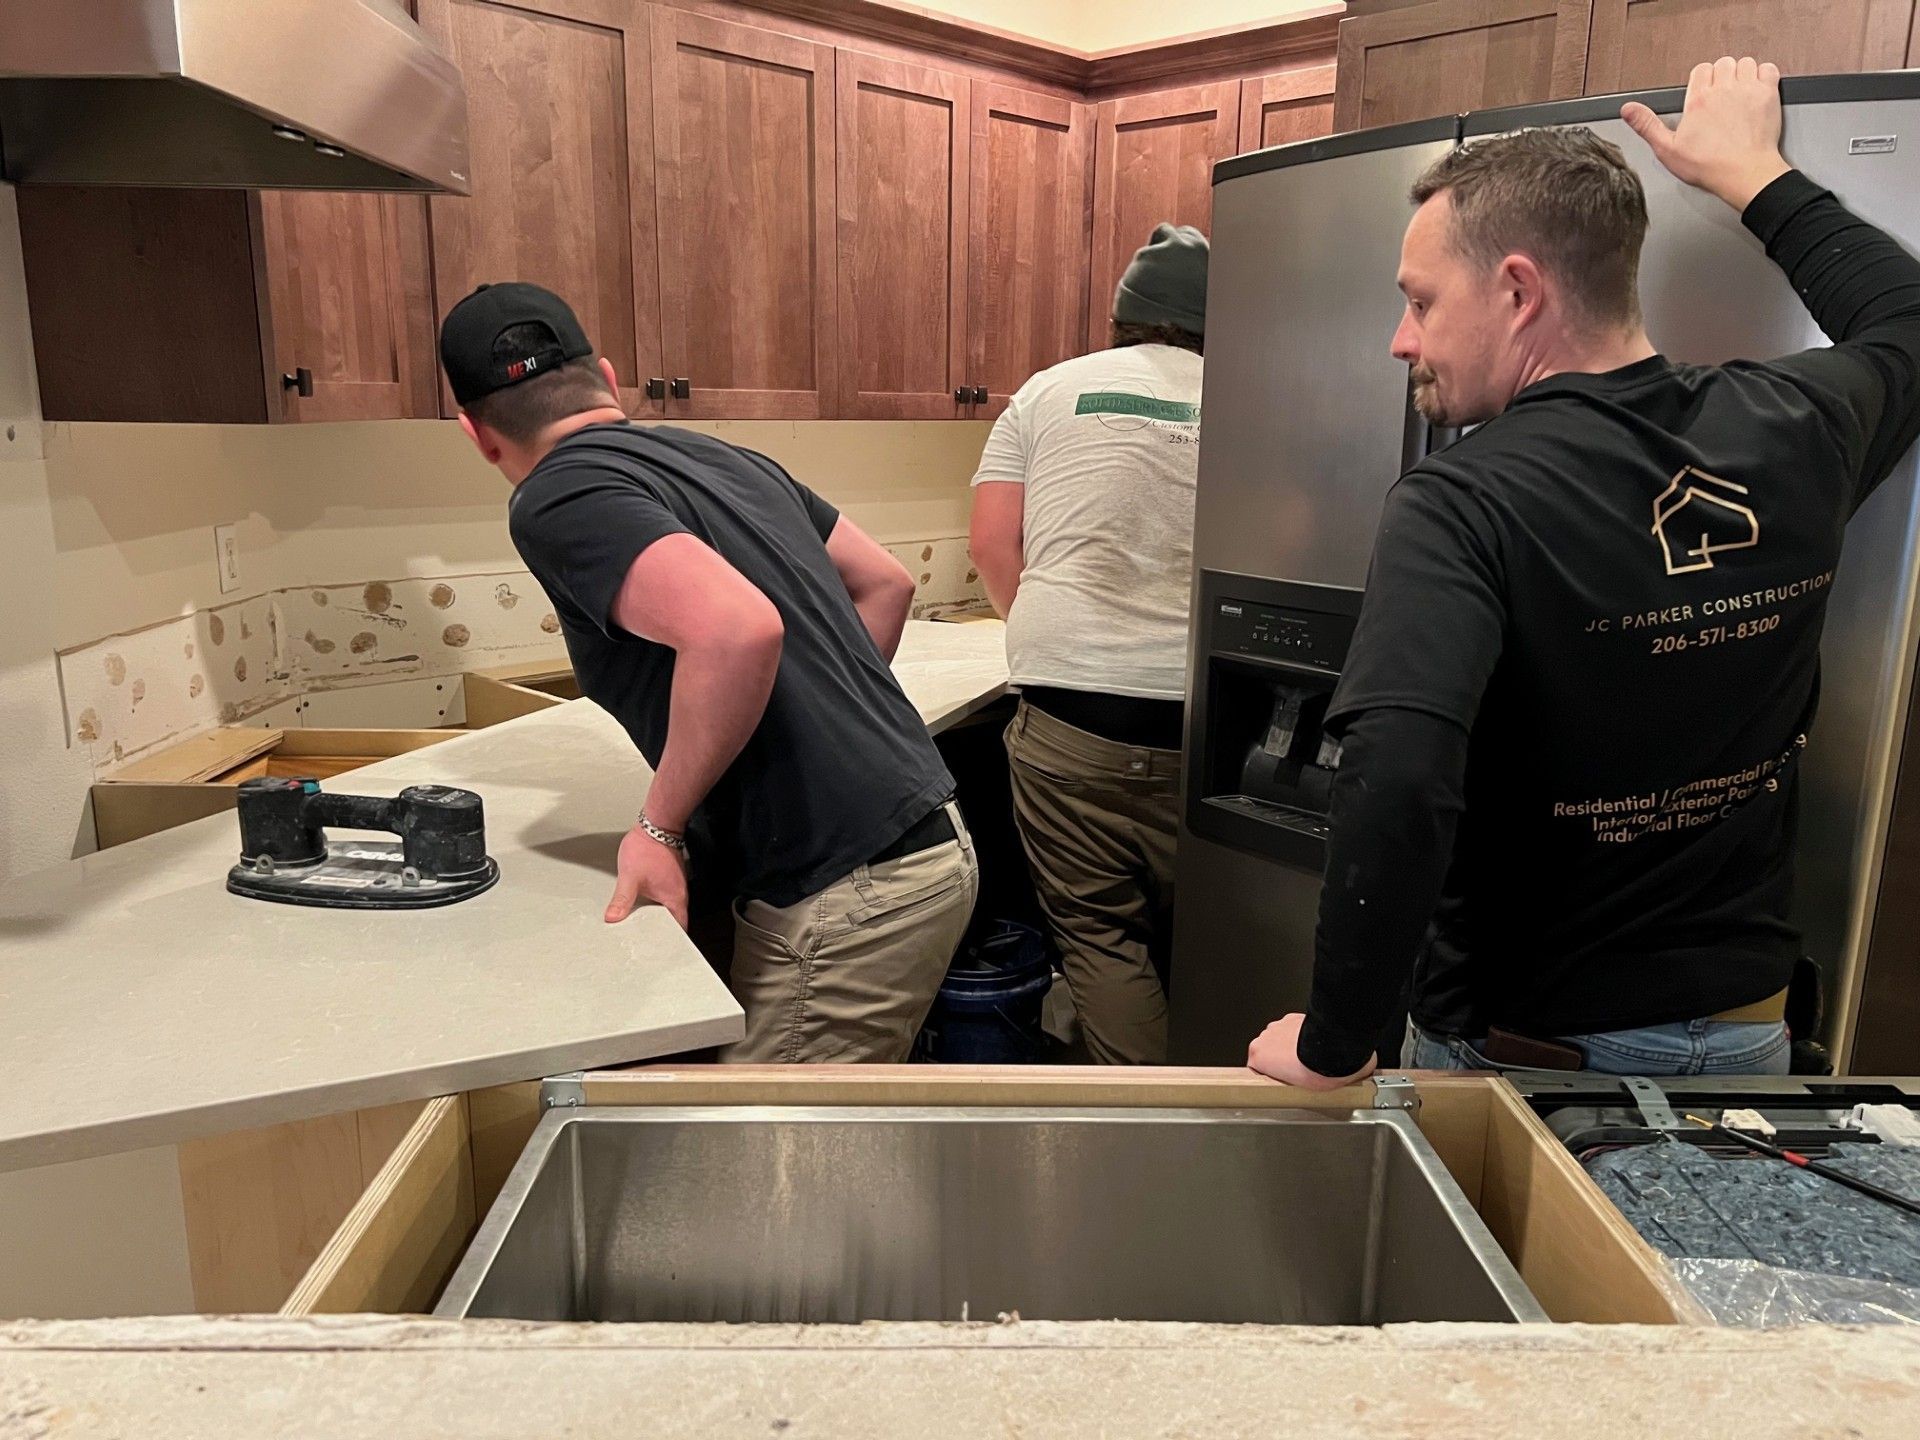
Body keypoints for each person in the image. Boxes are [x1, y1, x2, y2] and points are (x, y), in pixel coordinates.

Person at [1248, 57, 1920, 1086]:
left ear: (1518, 292)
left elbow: (1397, 784)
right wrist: (1756, 176)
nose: (1401, 340)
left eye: (1421, 301)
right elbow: (1909, 321)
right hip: (1751, 1047)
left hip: (1533, 1066)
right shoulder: (1794, 430)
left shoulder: (1459, 502)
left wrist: (1334, 1045)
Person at [440, 282, 978, 1063]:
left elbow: (735, 630)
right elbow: (884, 582)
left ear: (477, 434)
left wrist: (658, 827)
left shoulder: (554, 495)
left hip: (844, 888)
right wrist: (819, 718)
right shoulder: (720, 457)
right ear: (611, 380)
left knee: (775, 1168)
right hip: (917, 842)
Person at [968, 222, 1207, 1064]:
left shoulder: (1045, 392)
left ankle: (1146, 1138)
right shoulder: (1255, 396)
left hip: (1071, 720)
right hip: (1214, 723)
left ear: (1123, 318)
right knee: (1210, 941)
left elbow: (996, 547)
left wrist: (1045, 636)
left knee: (1102, 940)